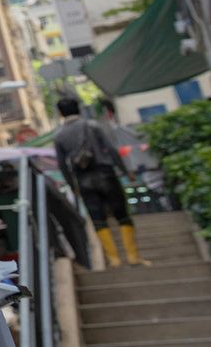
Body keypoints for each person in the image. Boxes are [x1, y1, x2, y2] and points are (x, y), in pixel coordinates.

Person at [51, 96, 147, 267]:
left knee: (98, 219)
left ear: (60, 112)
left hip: (82, 178)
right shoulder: (93, 126)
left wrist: (73, 186)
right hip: (105, 173)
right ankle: (132, 256)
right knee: (122, 214)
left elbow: (62, 165)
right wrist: (126, 171)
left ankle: (114, 259)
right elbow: (111, 150)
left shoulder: (59, 135)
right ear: (79, 108)